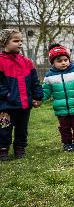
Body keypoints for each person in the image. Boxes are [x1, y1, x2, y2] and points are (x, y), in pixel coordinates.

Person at [42, 43, 74, 151]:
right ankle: (66, 143)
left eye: (65, 60)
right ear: (53, 62)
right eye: (59, 61)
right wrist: (38, 99)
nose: (63, 63)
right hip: (61, 108)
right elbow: (46, 91)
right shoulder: (49, 76)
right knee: (64, 127)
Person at [0, 29, 42, 161]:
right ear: (4, 42)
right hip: (6, 105)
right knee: (4, 128)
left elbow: (35, 82)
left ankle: (20, 148)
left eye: (21, 41)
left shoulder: (27, 62)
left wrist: (37, 97)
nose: (20, 43)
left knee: (22, 129)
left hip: (24, 105)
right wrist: (7, 94)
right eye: (15, 41)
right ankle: (3, 150)